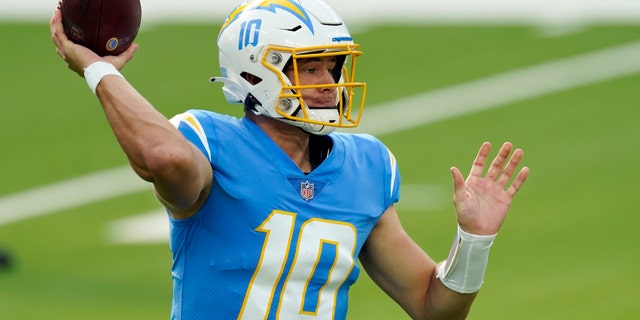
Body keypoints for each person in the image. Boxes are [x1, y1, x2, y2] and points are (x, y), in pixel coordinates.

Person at [50, 0, 529, 319]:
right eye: (309, 66)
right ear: (256, 72)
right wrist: (97, 71)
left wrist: (474, 241)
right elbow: (163, 158)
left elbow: (432, 306)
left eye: (332, 66)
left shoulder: (368, 167)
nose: (328, 82)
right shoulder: (212, 142)